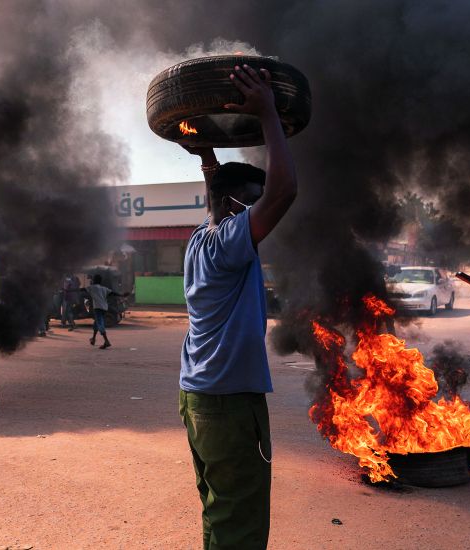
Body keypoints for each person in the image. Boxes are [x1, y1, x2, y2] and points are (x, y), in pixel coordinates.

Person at [179, 64, 297, 549]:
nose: (257, 213)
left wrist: (207, 154)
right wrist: (267, 112)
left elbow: (216, 195)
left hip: (199, 398)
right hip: (228, 405)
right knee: (240, 526)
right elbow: (284, 192)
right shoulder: (229, 241)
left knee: (220, 511)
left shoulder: (199, 237)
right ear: (233, 205)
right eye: (251, 203)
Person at [87, 273, 122, 349]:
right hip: (104, 308)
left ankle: (106, 341)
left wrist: (70, 290)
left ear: (94, 280)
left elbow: (82, 290)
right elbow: (113, 293)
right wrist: (121, 295)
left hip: (98, 308)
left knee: (100, 324)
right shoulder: (104, 288)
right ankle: (93, 339)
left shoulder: (92, 287)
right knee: (96, 323)